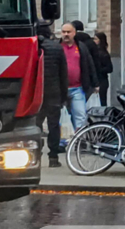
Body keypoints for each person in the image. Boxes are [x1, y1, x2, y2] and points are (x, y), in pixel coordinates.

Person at [38, 25, 68, 168]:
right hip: (54, 92)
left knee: (35, 124)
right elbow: (63, 74)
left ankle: (35, 154)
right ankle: (53, 157)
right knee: (54, 125)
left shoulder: (33, 46)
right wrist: (63, 95)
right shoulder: (57, 48)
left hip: (36, 92)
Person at [60, 22, 98, 130]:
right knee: (62, 117)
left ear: (74, 33)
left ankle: (80, 140)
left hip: (78, 88)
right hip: (61, 89)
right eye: (63, 32)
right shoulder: (57, 47)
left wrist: (95, 83)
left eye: (68, 32)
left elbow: (89, 64)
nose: (66, 34)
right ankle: (64, 141)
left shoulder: (81, 47)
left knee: (80, 116)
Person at [93, 32, 114, 106]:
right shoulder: (95, 52)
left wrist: (99, 69)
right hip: (99, 80)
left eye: (95, 39)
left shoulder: (103, 54)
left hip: (102, 80)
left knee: (102, 100)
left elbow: (109, 68)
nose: (94, 41)